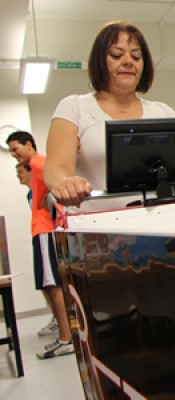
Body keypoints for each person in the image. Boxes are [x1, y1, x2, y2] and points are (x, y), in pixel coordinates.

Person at [44, 21, 175, 210]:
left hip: (160, 233)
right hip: (98, 236)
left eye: (136, 56)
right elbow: (56, 167)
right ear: (99, 61)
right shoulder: (74, 107)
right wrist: (65, 182)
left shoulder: (163, 112)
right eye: (117, 55)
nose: (128, 62)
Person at [6, 131, 74, 359]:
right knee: (48, 286)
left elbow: (61, 182)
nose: (14, 154)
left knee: (53, 286)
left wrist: (53, 198)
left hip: (46, 229)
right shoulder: (35, 166)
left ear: (28, 145)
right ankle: (64, 336)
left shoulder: (39, 162)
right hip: (40, 230)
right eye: (11, 151)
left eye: (16, 149)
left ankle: (66, 339)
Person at [16, 162, 60, 336]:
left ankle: (62, 323)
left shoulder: (43, 190)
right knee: (44, 284)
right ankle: (56, 317)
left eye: (20, 172)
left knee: (52, 282)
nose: (18, 176)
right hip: (38, 234)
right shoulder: (30, 193)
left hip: (47, 233)